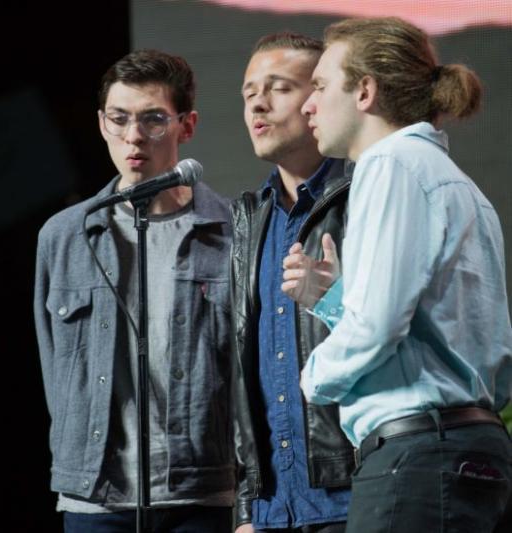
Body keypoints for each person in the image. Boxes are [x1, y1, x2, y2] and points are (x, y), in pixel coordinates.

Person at [282, 17, 512, 532]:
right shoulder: (456, 184)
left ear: (365, 91)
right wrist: (337, 299)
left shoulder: (391, 164)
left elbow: (380, 326)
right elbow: (439, 337)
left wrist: (310, 379)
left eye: (320, 86)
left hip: (418, 459)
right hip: (468, 451)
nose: (308, 104)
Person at [34, 49, 235, 532]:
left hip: (199, 492)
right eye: (119, 119)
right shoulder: (65, 235)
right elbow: (51, 363)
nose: (133, 136)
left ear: (187, 126)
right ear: (102, 123)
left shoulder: (231, 229)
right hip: (95, 497)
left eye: (153, 120)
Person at [231, 32, 355, 533]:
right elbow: (244, 373)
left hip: (351, 497)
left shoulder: (363, 195)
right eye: (248, 92)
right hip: (272, 511)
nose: (258, 103)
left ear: (317, 99)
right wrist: (246, 507)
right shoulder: (248, 218)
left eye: (278, 87)